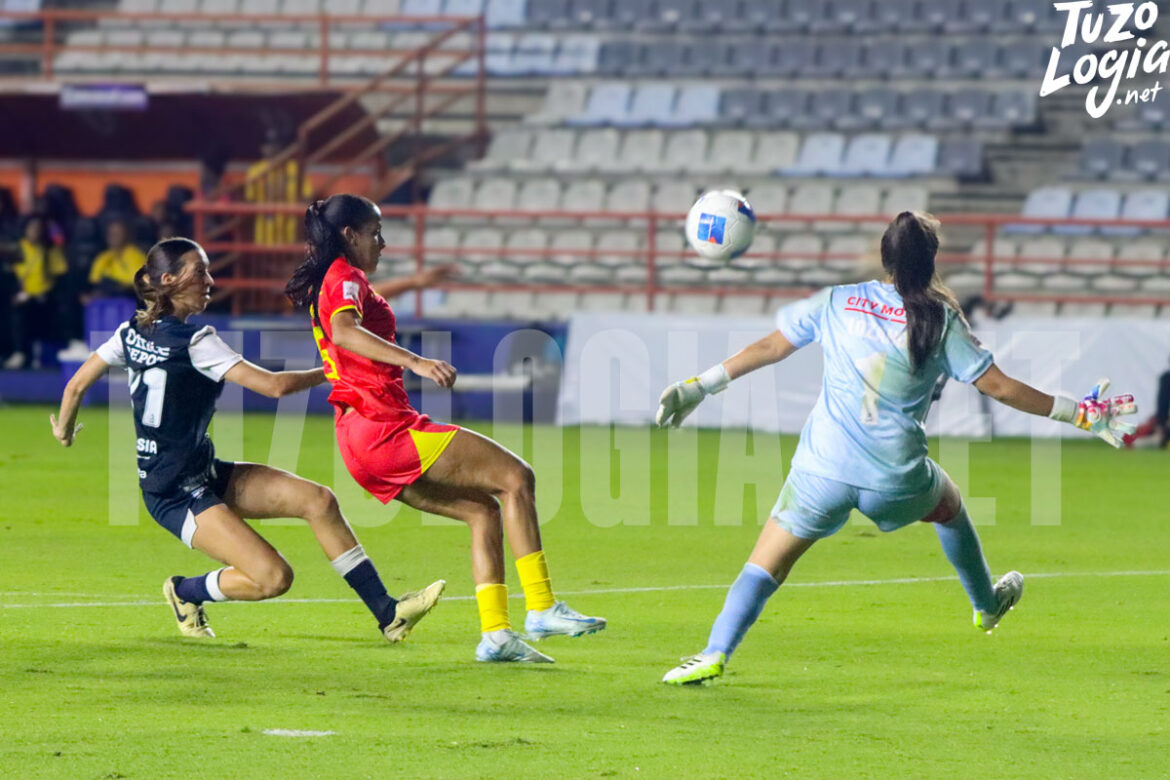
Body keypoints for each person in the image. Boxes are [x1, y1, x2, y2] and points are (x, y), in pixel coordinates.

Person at [656, 211, 1137, 686]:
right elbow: (999, 388)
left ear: (884, 258)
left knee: (765, 566)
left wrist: (700, 386)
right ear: (931, 262)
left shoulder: (838, 301)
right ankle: (985, 606)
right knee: (948, 506)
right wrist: (1081, 413)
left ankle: (714, 652)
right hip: (896, 476)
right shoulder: (940, 319)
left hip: (823, 469)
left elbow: (769, 347)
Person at [50, 237, 444, 643]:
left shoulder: (130, 332)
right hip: (174, 494)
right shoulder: (197, 343)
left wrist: (63, 431)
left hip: (202, 472)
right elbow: (274, 387)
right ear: (168, 279)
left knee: (319, 501)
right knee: (273, 578)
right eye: (199, 272)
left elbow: (75, 386)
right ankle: (184, 592)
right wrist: (335, 368)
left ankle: (387, 612)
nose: (210, 280)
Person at [285, 194, 606, 664]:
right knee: (517, 478)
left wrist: (414, 282)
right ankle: (541, 607)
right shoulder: (344, 276)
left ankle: (496, 635)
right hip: (384, 429)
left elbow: (355, 312)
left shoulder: (333, 278)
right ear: (348, 235)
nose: (383, 241)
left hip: (358, 441)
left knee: (483, 513)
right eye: (374, 232)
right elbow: (346, 331)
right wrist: (416, 360)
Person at [7, 214, 67, 369]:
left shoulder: (51, 251)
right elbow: (9, 274)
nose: (36, 232)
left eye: (39, 229)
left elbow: (61, 276)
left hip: (45, 296)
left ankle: (42, 354)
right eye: (32, 228)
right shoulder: (17, 248)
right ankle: (19, 352)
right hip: (21, 295)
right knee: (16, 309)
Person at [86, 218, 145, 300]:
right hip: (107, 301)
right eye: (111, 233)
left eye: (117, 233)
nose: (113, 236)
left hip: (130, 300)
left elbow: (136, 286)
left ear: (126, 235)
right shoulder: (102, 257)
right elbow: (95, 283)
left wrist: (116, 288)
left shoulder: (135, 256)